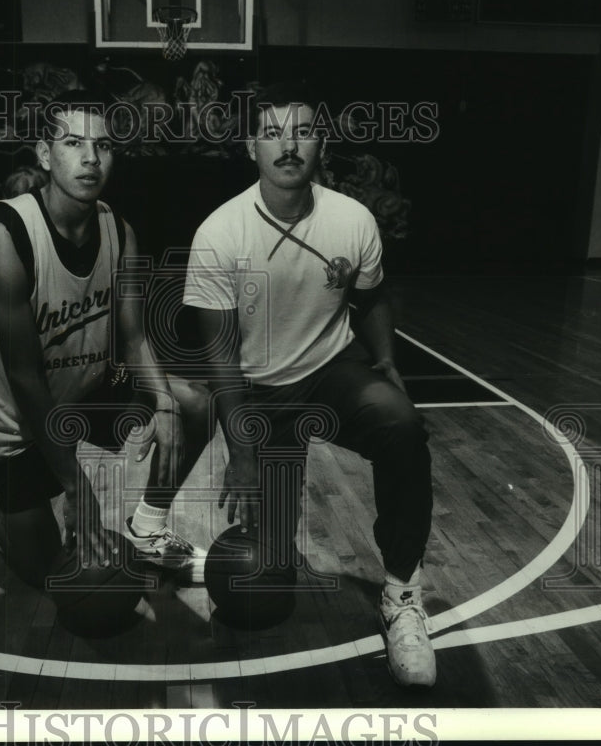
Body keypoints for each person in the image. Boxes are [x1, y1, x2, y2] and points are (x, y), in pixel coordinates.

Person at [182, 81, 436, 688]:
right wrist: (241, 452)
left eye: (301, 130)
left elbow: (370, 297)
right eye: (272, 132)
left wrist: (386, 359)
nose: (288, 144)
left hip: (332, 372)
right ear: (251, 146)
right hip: (258, 391)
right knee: (268, 563)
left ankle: (401, 595)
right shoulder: (220, 234)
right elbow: (220, 356)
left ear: (321, 142)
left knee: (401, 424)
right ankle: (274, 515)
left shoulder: (352, 220)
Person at [0, 89, 213, 589]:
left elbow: (134, 337)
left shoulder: (120, 232)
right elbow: (25, 378)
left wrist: (162, 402)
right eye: (74, 143)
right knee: (50, 573)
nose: (91, 158)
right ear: (46, 155)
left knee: (193, 404)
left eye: (104, 146)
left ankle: (149, 529)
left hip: (86, 393)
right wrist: (77, 488)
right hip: (18, 421)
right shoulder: (6, 234)